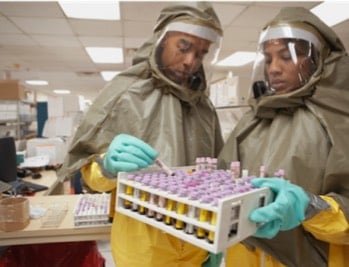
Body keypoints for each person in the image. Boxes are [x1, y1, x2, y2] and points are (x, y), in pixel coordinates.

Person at [59, 2, 224, 267]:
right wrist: (107, 165)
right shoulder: (124, 93)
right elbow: (86, 173)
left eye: (201, 53)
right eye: (183, 47)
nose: (190, 61)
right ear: (161, 40)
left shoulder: (203, 108)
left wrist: (216, 238)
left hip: (197, 243)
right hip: (144, 250)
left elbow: (217, 175)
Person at [218, 6, 349, 267]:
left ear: (317, 60)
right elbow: (222, 185)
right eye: (268, 59)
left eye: (286, 57)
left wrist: (311, 207)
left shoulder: (340, 122)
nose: (274, 69)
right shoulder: (251, 121)